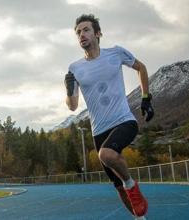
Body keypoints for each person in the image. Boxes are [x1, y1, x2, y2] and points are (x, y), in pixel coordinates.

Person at [64, 14, 154, 219]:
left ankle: (131, 184)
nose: (81, 35)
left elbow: (141, 67)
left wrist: (146, 98)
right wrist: (68, 91)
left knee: (106, 155)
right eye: (78, 32)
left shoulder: (115, 53)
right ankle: (140, 217)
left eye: (86, 30)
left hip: (124, 120)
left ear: (97, 33)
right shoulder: (75, 68)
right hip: (99, 130)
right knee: (118, 188)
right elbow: (73, 106)